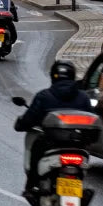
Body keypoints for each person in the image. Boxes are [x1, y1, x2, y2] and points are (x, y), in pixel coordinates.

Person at [14, 60, 92, 193]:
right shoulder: (84, 98)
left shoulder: (44, 96)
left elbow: (29, 118)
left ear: (53, 76)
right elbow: (92, 120)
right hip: (78, 146)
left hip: (51, 145)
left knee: (36, 148)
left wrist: (20, 124)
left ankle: (32, 183)